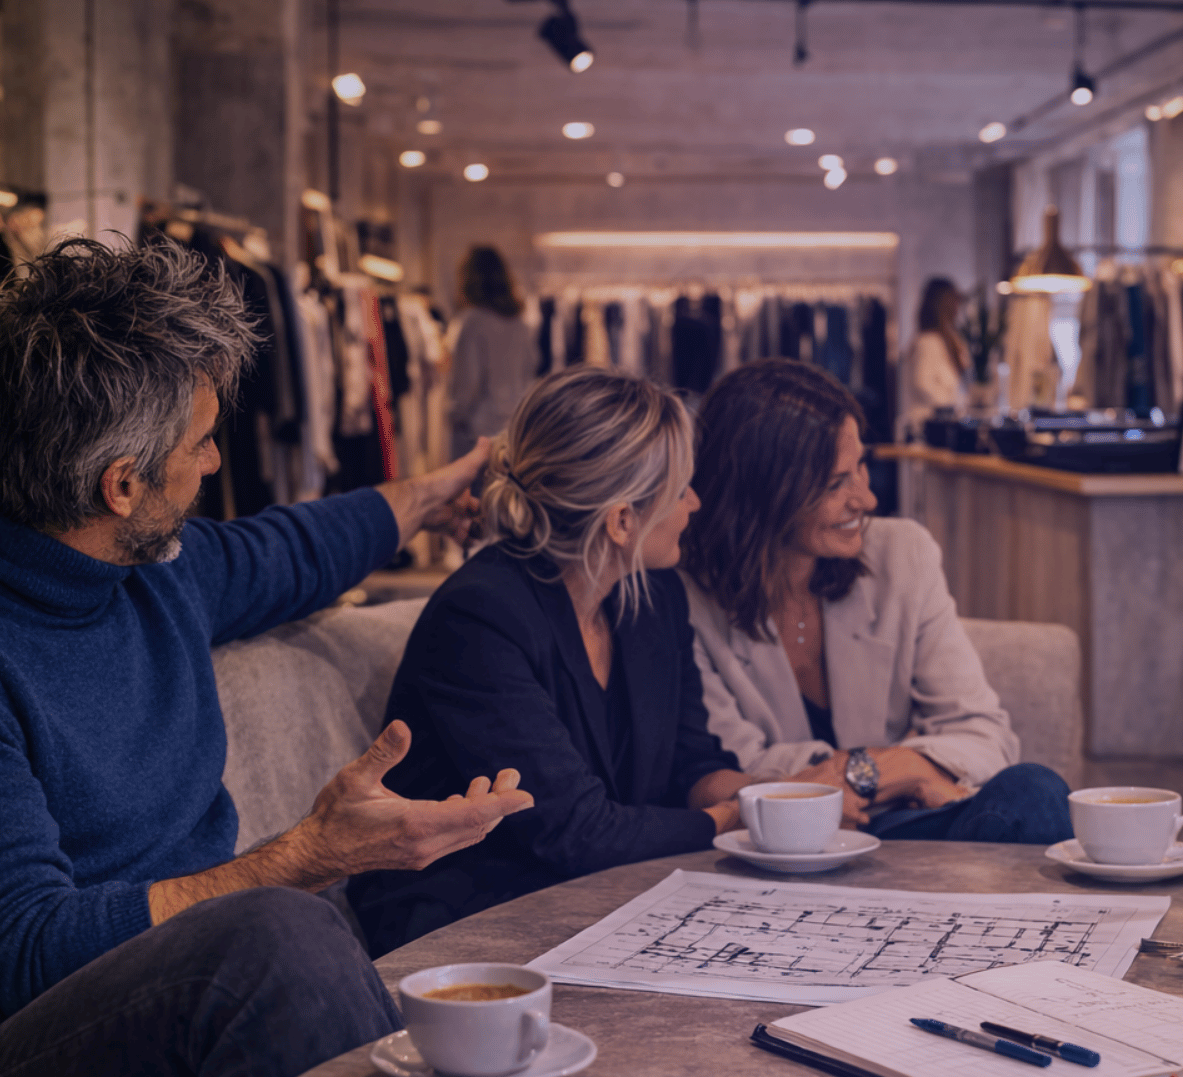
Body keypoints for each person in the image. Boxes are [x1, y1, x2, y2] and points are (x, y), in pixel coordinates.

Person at [0, 238, 535, 1077]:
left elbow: (293, 550)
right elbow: (15, 958)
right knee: (281, 937)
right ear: (120, 485)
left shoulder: (146, 568)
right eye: (202, 444)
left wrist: (430, 498)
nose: (216, 462)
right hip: (10, 1042)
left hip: (195, 1008)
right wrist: (305, 857)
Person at [349, 366, 753, 956]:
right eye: (680, 490)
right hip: (470, 922)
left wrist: (769, 800)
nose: (695, 503)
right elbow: (574, 831)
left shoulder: (654, 596)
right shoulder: (481, 616)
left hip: (603, 897)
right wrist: (728, 821)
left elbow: (692, 762)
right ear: (621, 521)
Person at [679, 359, 1073, 842]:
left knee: (1034, 790)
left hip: (906, 823)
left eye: (861, 467)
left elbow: (985, 735)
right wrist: (905, 767)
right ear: (762, 494)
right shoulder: (685, 600)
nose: (865, 499)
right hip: (785, 840)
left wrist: (880, 771)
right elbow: (729, 769)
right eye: (835, 484)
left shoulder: (903, 555)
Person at [446, 244, 540, 453]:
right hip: (512, 429)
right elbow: (529, 375)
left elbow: (467, 384)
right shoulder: (520, 324)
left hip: (477, 433)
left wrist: (453, 414)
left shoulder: (472, 322)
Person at [902, 276, 969, 435]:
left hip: (944, 426)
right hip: (927, 428)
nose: (957, 307)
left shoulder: (949, 339)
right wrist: (950, 406)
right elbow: (922, 382)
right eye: (954, 301)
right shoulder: (927, 342)